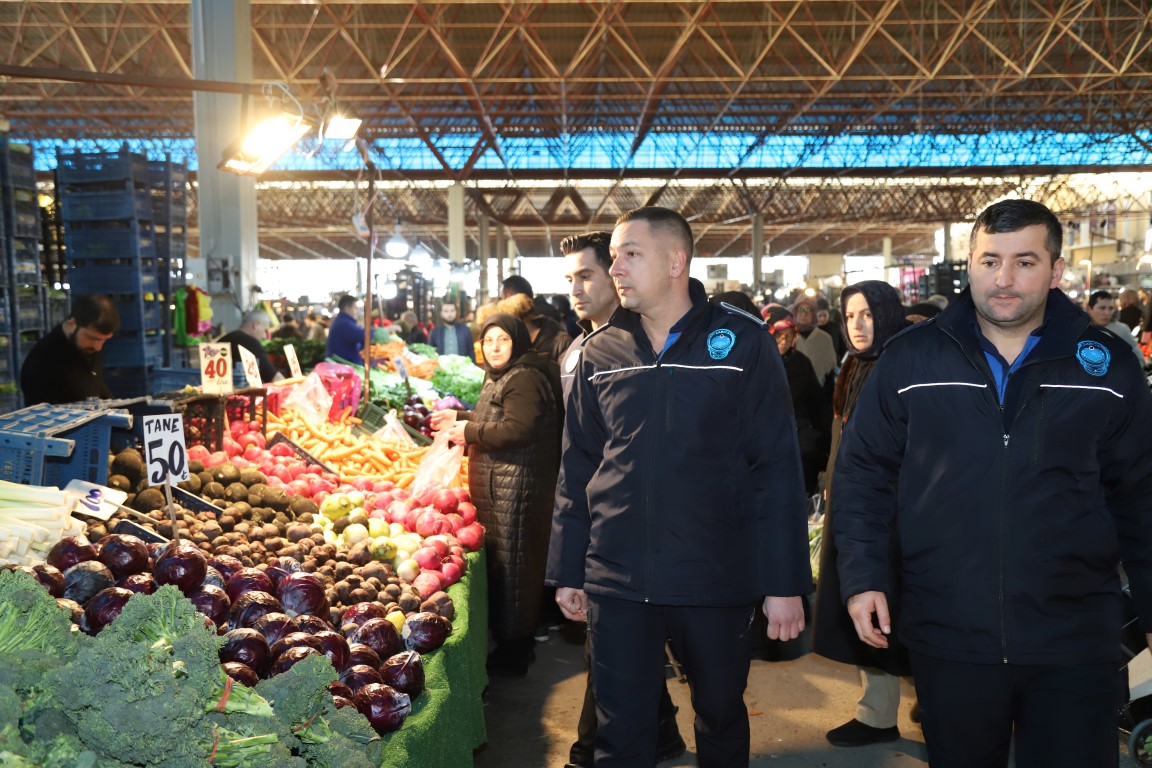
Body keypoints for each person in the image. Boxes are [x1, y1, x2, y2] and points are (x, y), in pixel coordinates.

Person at [833, 199, 1152, 768]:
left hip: (1075, 636)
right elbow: (863, 474)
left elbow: (1141, 496)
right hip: (948, 632)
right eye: (989, 261)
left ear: (1056, 271)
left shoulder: (1106, 365)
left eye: (1025, 262)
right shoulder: (911, 359)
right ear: (969, 265)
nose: (1003, 280)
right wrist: (863, 577)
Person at [547, 206, 811, 767]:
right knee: (620, 731)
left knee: (719, 715)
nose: (615, 267)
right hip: (617, 578)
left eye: (630, 254)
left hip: (713, 574)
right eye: (614, 255)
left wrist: (785, 582)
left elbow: (776, 467)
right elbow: (578, 468)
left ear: (676, 261)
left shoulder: (741, 344)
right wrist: (569, 569)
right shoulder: (600, 353)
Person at [558, 231, 686, 768]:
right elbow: (575, 452)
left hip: (646, 536)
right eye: (570, 280)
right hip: (594, 525)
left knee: (613, 657)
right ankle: (656, 736)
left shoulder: (650, 352)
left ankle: (594, 749)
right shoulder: (575, 351)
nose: (580, 288)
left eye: (588, 274)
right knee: (619, 658)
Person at [808, 281, 912, 748]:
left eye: (868, 313)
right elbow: (842, 436)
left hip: (897, 514)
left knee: (904, 609)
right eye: (850, 316)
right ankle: (878, 713)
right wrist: (831, 486)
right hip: (859, 509)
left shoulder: (903, 365)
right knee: (870, 608)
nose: (858, 324)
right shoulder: (854, 365)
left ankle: (923, 705)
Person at [431, 313, 562, 677]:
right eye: (489, 341)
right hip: (503, 485)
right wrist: (459, 417)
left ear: (517, 341)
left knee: (515, 567)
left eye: (503, 339)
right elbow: (496, 414)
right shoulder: (505, 375)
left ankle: (516, 651)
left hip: (517, 488)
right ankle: (513, 641)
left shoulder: (523, 376)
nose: (495, 346)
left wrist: (469, 431)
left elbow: (519, 427)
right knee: (508, 566)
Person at [762, 305, 832, 496]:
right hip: (766, 446)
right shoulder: (759, 362)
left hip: (800, 445)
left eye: (788, 336)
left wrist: (824, 444)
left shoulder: (801, 363)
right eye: (778, 336)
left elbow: (817, 403)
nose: (784, 342)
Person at [21, 294, 119, 405]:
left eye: (104, 340)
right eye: (92, 338)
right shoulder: (41, 361)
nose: (98, 347)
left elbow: (96, 385)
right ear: (71, 324)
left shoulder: (89, 346)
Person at [218, 310, 283, 384]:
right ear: (256, 324)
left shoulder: (225, 338)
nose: (264, 336)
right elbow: (274, 377)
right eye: (265, 330)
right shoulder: (250, 343)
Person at [790, 296, 839, 387]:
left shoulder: (825, 339)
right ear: (795, 312)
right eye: (801, 309)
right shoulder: (788, 337)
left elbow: (831, 370)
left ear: (814, 313)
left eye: (808, 310)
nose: (804, 314)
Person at [1086, 289, 1143, 364]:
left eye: (1111, 308)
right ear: (1089, 309)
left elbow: (1138, 358)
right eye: (1102, 308)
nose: (1107, 313)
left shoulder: (1122, 329)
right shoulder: (1079, 329)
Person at [325, 295, 364, 365]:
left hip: (344, 365)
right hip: (344, 367)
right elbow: (363, 335)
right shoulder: (344, 323)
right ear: (347, 308)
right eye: (355, 308)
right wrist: (379, 331)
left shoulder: (341, 321)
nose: (357, 311)